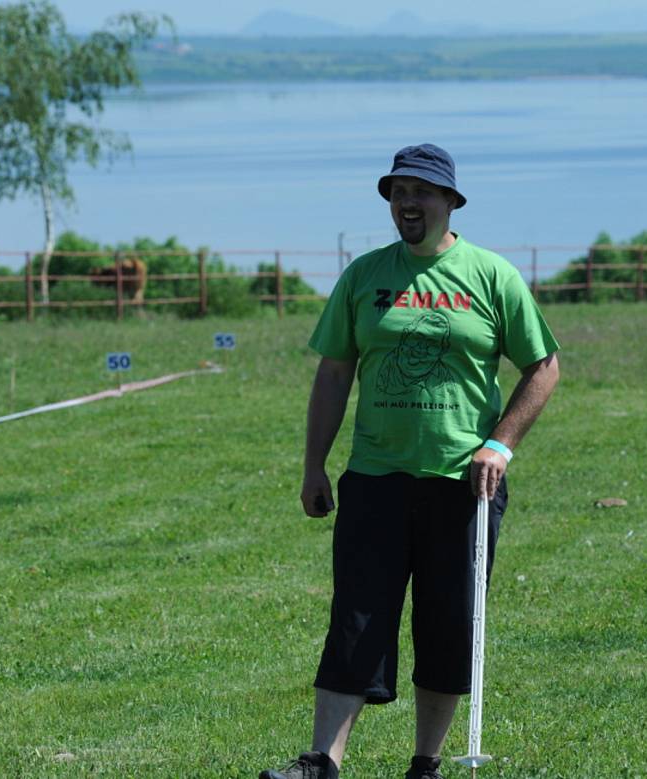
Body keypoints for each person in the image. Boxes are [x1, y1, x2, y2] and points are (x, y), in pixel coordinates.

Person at [259, 143, 560, 779]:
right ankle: (323, 760)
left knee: (448, 622)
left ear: (451, 202)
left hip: (464, 485)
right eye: (398, 193)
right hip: (374, 479)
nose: (408, 203)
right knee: (357, 617)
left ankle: (426, 763)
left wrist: (499, 443)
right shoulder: (364, 276)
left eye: (421, 192)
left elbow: (543, 367)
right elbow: (335, 370)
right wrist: (314, 465)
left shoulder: (491, 275)